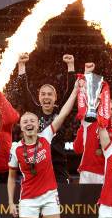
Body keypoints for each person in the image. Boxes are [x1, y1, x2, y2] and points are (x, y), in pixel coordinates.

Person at [7, 80, 79, 218]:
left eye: (32, 121)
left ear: (38, 125)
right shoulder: (16, 148)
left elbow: (64, 113)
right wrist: (11, 201)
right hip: (27, 199)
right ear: (21, 126)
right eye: (25, 121)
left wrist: (76, 89)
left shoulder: (47, 137)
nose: (29, 123)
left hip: (49, 197)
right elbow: (11, 177)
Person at [14, 52, 76, 184]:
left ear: (55, 98)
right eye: (43, 94)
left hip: (58, 164)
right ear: (39, 97)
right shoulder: (34, 112)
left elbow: (70, 91)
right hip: (38, 162)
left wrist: (71, 66)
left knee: (61, 200)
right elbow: (24, 91)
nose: (46, 97)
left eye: (49, 94)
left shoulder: (60, 111)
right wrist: (21, 65)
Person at [72, 63, 112, 184]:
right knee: (85, 203)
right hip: (87, 172)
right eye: (108, 108)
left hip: (107, 174)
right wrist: (87, 74)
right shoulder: (89, 122)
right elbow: (77, 149)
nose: (110, 111)